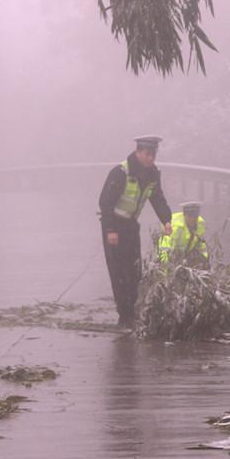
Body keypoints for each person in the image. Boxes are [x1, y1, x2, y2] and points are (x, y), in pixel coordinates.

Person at [99, 135, 172, 327]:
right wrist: (111, 230)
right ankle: (125, 315)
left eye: (154, 154)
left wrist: (166, 220)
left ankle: (133, 309)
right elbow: (105, 203)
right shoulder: (122, 172)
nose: (151, 158)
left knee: (134, 270)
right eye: (148, 154)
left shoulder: (153, 174)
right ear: (138, 152)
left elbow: (157, 198)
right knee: (119, 271)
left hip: (131, 225)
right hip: (113, 225)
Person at [157, 201, 209, 268]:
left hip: (186, 257)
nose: (193, 219)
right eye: (190, 216)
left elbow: (201, 244)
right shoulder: (175, 229)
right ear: (184, 215)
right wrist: (166, 268)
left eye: (195, 216)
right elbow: (164, 249)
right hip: (173, 259)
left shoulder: (200, 225)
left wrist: (205, 260)